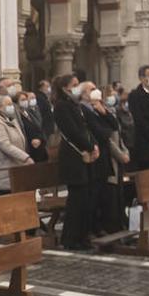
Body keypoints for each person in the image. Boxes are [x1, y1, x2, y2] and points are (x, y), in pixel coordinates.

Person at [53, 73, 97, 251]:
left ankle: (83, 236)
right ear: (65, 88)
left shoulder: (75, 105)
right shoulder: (61, 106)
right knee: (76, 201)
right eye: (75, 84)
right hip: (73, 156)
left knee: (86, 199)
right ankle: (70, 239)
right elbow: (72, 131)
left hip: (84, 153)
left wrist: (93, 145)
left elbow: (86, 128)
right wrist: (88, 146)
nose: (78, 87)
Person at [84, 84, 129, 234]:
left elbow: (116, 128)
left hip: (112, 158)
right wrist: (120, 154)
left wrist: (103, 111)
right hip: (103, 157)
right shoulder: (87, 111)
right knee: (103, 195)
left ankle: (117, 224)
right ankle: (103, 226)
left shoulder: (104, 111)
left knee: (116, 193)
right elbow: (106, 137)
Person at [0, 91, 32, 194]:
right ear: (0, 107)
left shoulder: (12, 120)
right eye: (9, 105)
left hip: (14, 169)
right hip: (2, 173)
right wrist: (25, 157)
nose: (12, 107)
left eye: (12, 104)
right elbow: (5, 145)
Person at [16, 91, 49, 163]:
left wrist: (40, 138)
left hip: (39, 145)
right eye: (22, 100)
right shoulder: (18, 116)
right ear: (17, 102)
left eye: (26, 99)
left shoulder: (27, 113)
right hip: (30, 148)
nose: (26, 101)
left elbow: (37, 127)